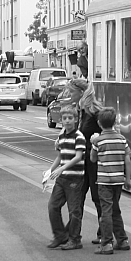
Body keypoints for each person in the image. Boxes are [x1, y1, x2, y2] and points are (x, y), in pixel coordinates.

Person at [89, 106, 131, 254]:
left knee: (106, 211)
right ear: (114, 122)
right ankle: (122, 240)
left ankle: (106, 243)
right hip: (119, 181)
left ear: (99, 124)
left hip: (104, 182)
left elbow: (92, 159)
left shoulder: (99, 141)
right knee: (115, 209)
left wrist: (93, 142)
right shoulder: (122, 139)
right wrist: (128, 179)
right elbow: (127, 160)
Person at [46, 105, 86, 250]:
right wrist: (50, 170)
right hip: (62, 178)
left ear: (76, 120)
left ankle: (75, 239)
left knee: (74, 210)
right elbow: (60, 156)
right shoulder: (61, 137)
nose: (67, 121)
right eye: (64, 118)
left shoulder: (79, 137)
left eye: (70, 118)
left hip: (75, 179)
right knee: (53, 206)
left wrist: (62, 168)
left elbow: (78, 157)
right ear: (61, 120)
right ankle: (60, 235)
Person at [76, 80, 104, 243]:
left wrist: (96, 141)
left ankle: (104, 233)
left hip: (93, 160)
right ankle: (74, 235)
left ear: (81, 93)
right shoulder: (81, 111)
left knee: (97, 197)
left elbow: (109, 132)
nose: (69, 96)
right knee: (78, 196)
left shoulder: (95, 112)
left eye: (71, 93)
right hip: (83, 161)